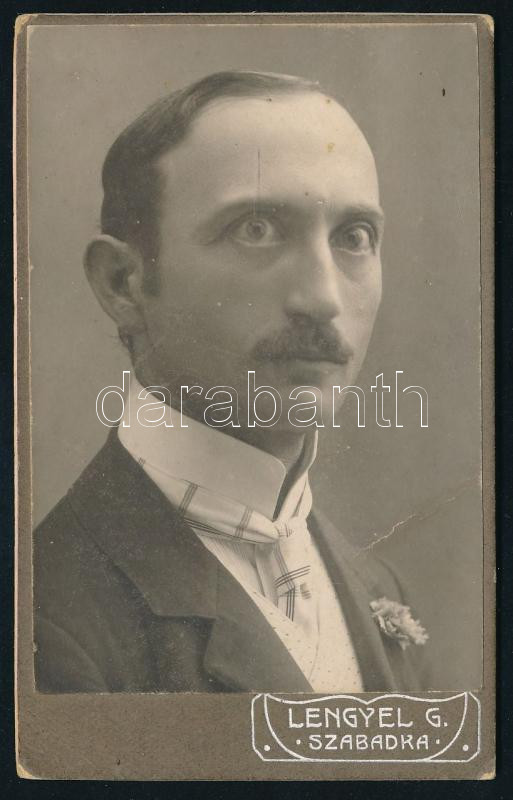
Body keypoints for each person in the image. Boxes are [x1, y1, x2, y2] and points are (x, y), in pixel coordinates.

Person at [34, 70, 432, 693]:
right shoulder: (47, 622)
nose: (323, 299)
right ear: (123, 283)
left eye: (354, 238)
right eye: (256, 229)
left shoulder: (376, 585)